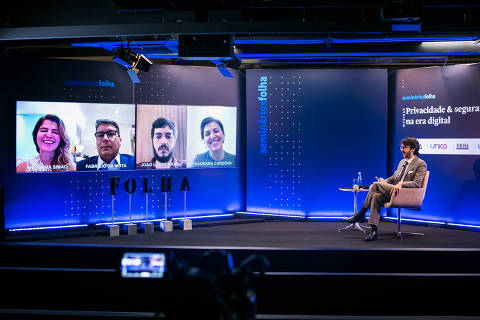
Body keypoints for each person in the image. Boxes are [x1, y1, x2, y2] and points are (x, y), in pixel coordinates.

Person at [345, 137, 427, 241]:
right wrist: (385, 181)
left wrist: (401, 184)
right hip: (393, 190)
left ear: (413, 148)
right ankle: (373, 231)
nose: (402, 150)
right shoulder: (402, 162)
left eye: (405, 147)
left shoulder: (420, 163)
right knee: (375, 196)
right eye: (401, 147)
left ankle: (361, 214)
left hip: (404, 193)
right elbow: (394, 178)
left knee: (375, 185)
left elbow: (417, 183)